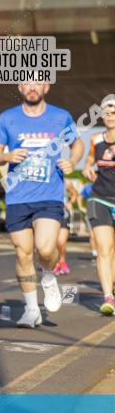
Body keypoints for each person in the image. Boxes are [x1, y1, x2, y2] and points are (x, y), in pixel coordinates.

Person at [0, 82, 83, 328]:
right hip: (17, 196)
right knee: (23, 254)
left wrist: (73, 161)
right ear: (20, 87)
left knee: (45, 248)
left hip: (49, 195)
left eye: (37, 82)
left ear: (46, 86)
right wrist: (7, 156)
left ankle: (49, 276)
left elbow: (77, 144)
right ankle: (31, 310)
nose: (32, 87)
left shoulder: (60, 117)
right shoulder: (7, 118)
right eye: (27, 82)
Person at [83, 99, 115, 315]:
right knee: (104, 249)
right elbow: (89, 160)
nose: (111, 115)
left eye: (114, 112)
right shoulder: (96, 139)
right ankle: (108, 297)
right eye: (107, 112)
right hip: (100, 197)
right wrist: (87, 168)